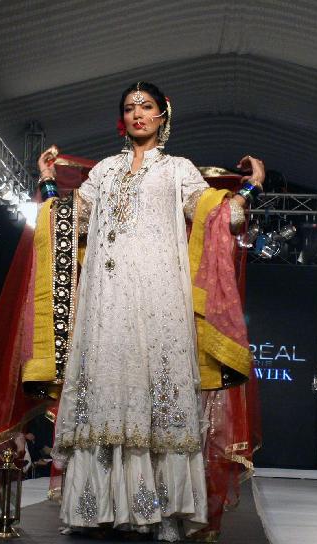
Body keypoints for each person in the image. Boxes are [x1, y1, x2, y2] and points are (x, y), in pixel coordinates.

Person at [31, 81, 260, 540]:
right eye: (130, 107)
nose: (138, 113)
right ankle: (94, 509)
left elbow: (220, 218)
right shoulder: (105, 173)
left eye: (147, 107)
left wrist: (252, 188)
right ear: (123, 119)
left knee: (156, 392)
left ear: (163, 115)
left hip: (160, 300)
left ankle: (158, 513)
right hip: (107, 299)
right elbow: (70, 220)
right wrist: (49, 181)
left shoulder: (178, 170)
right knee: (107, 386)